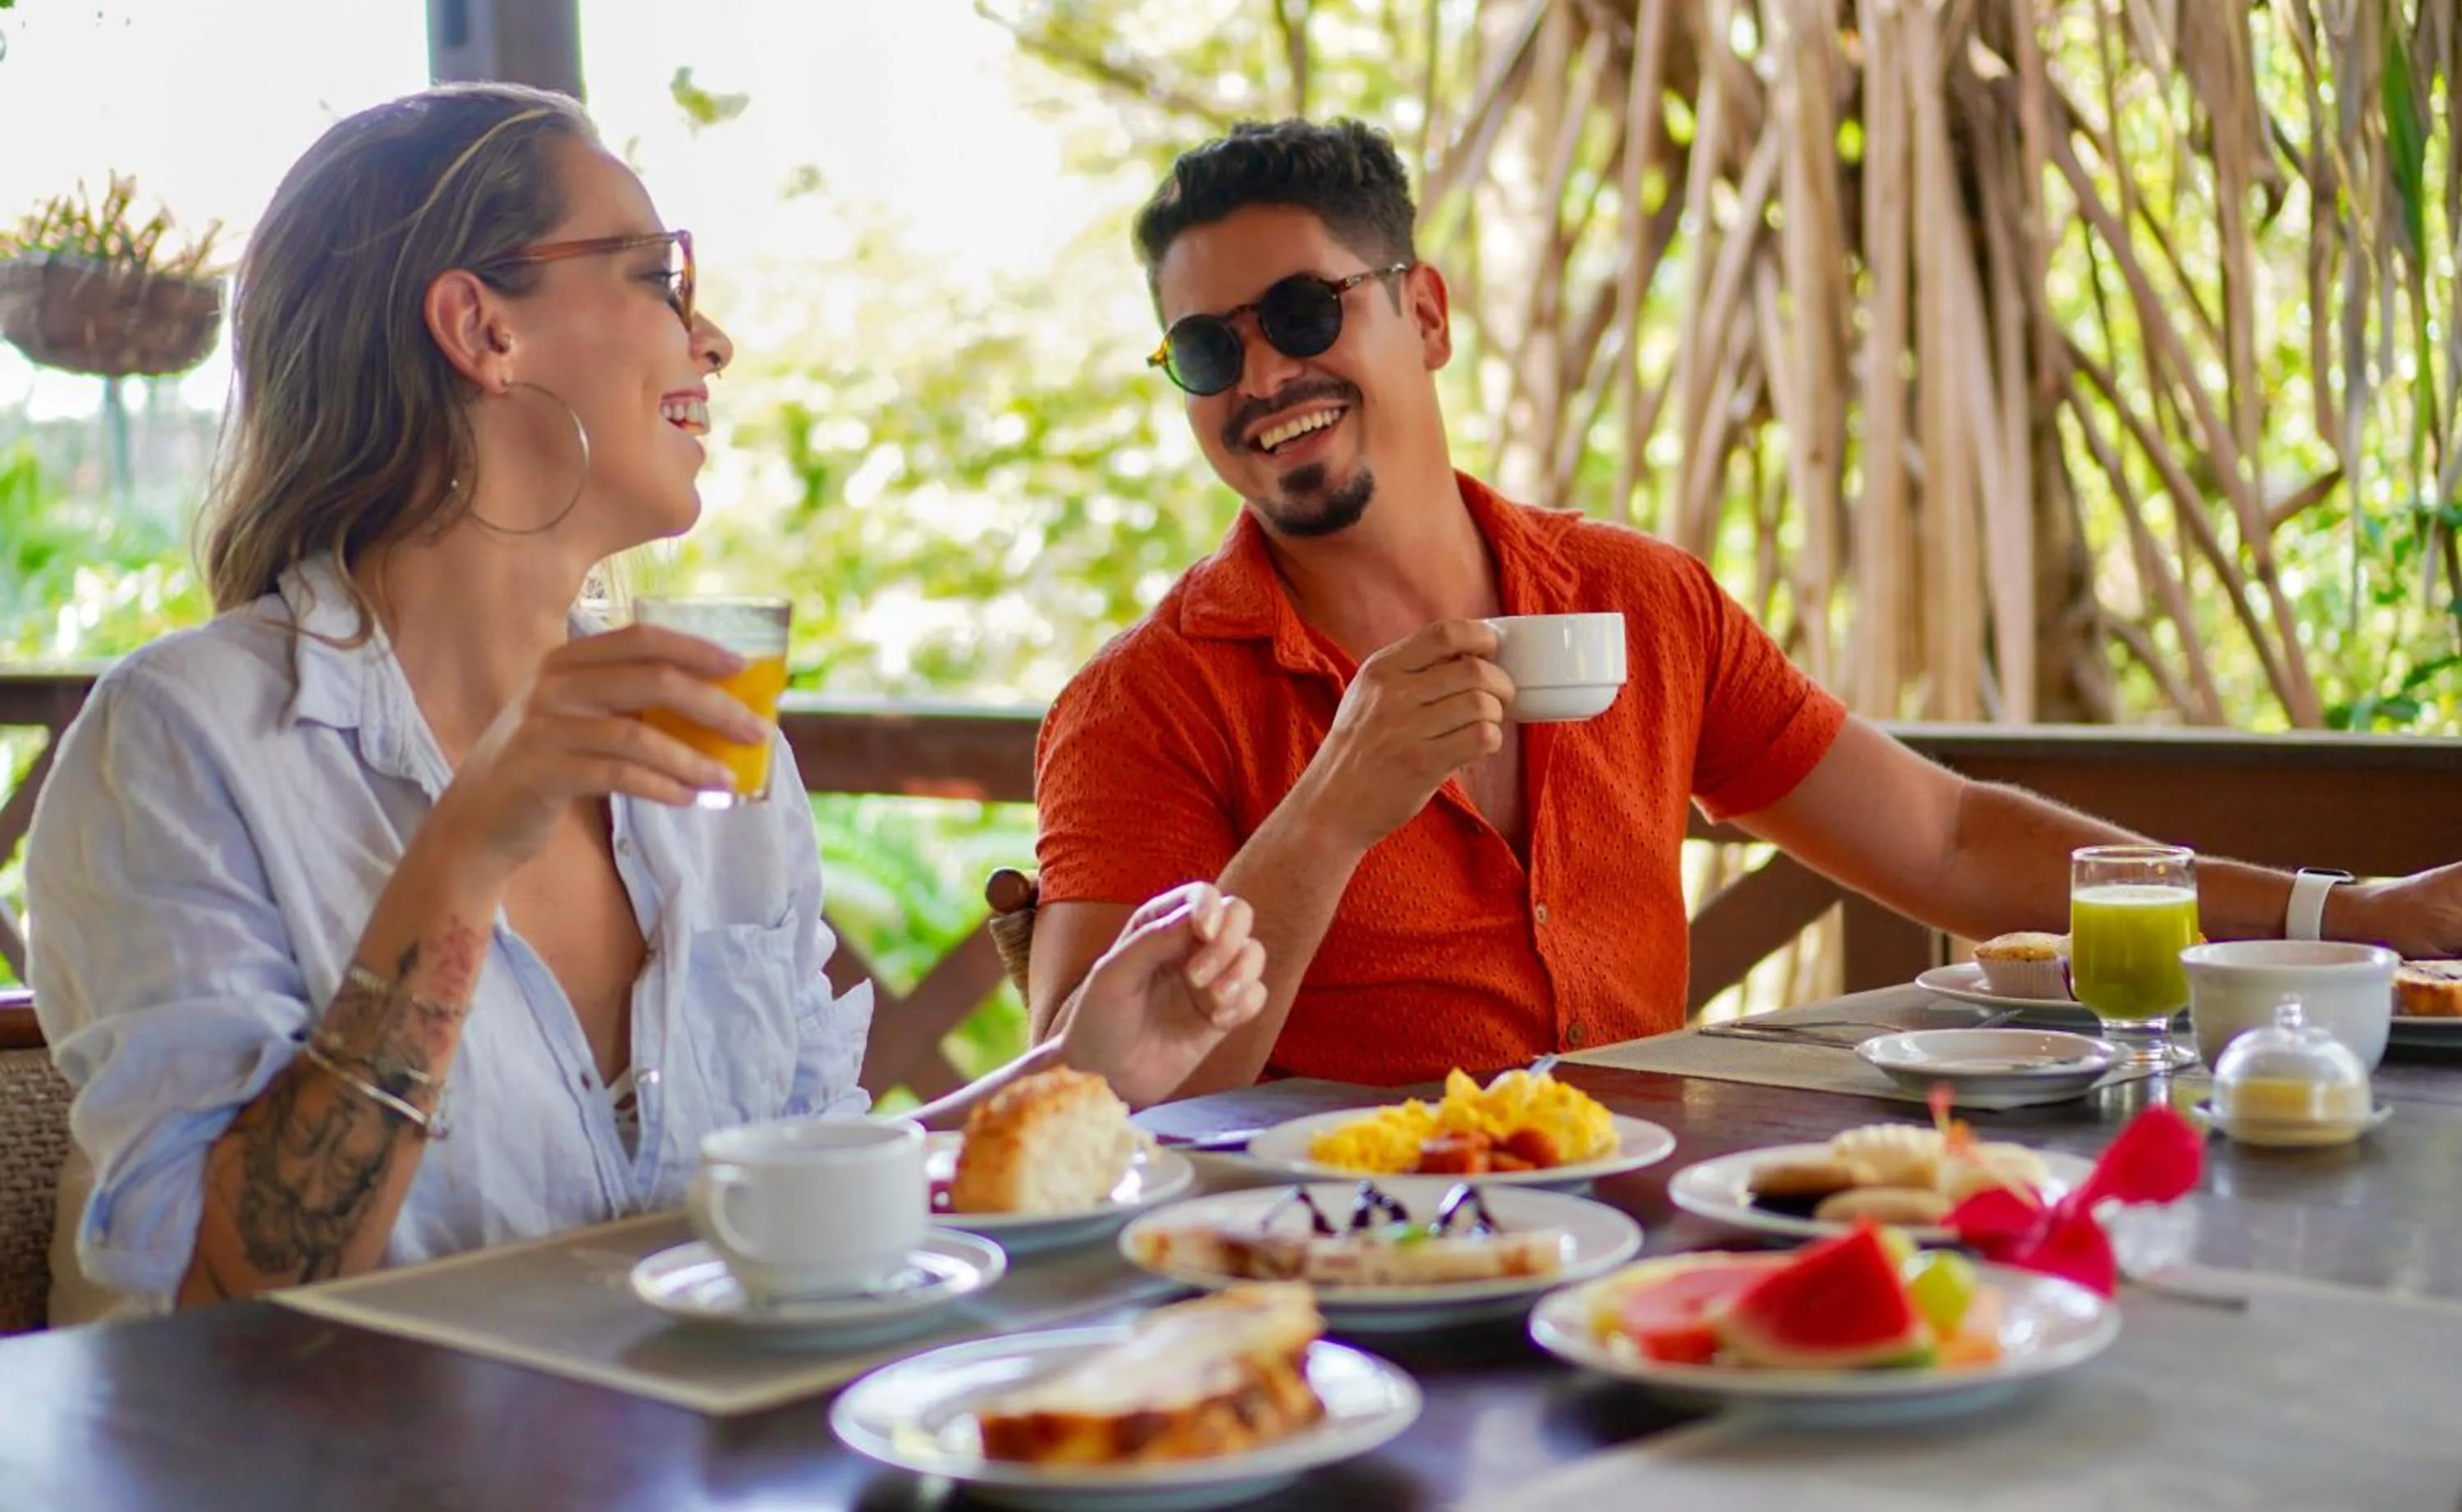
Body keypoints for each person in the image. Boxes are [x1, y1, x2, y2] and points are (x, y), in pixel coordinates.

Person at [22, 83, 1269, 1322]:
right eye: (658, 276)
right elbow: (234, 1291)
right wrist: (466, 849)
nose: (710, 336)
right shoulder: (183, 746)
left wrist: (1072, 1072)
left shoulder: (719, 753)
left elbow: (792, 1199)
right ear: (480, 327)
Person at [1025, 116, 2462, 1094]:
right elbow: (1096, 1094)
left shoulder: (1637, 602)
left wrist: (2359, 910)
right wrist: (1331, 811)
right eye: (1208, 349)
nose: (1264, 377)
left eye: (1302, 313)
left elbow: (1952, 841)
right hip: (1321, 1304)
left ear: (1430, 314)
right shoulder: (1143, 703)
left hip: (1642, 1251)